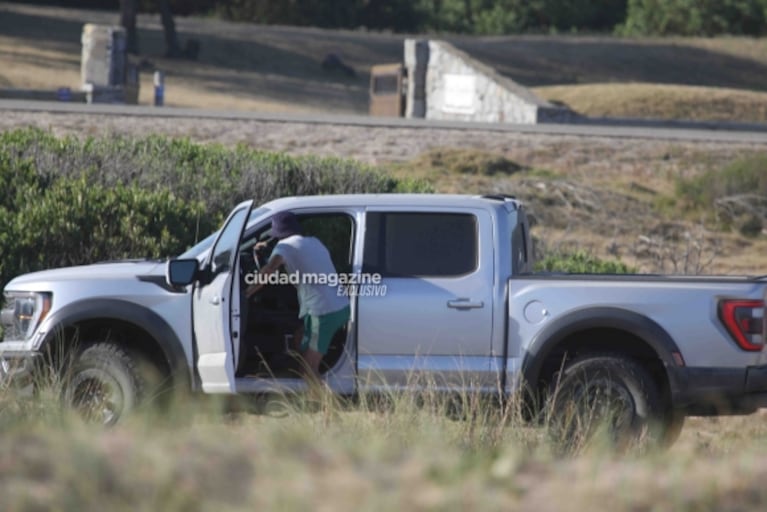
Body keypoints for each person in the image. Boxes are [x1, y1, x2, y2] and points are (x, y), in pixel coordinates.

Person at [245, 211, 350, 383]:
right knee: (298, 338)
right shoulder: (314, 242)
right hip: (338, 306)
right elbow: (297, 254)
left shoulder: (283, 248)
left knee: (308, 369)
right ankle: (302, 383)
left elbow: (267, 272)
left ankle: (328, 407)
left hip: (324, 313)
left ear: (278, 234)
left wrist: (246, 293)